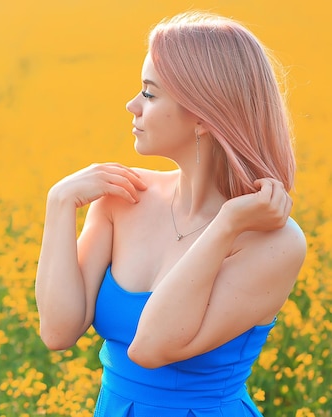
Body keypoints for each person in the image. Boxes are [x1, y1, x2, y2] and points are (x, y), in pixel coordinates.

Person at [34, 11, 307, 417]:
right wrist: (59, 204)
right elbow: (58, 331)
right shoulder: (123, 198)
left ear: (202, 115)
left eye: (149, 93)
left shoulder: (276, 242)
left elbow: (151, 347)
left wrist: (226, 226)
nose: (132, 105)